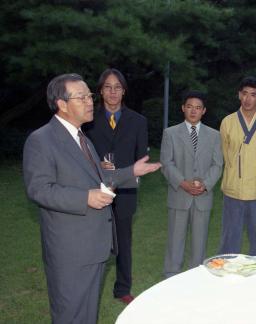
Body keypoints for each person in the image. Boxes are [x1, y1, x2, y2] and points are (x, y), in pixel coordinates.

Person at [22, 73, 161, 323]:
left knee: (87, 316)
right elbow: (39, 189)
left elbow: (101, 181)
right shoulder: (41, 140)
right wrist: (85, 197)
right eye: (82, 97)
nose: (90, 102)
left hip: (94, 247)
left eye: (90, 96)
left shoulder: (83, 139)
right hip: (70, 252)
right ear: (62, 104)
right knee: (70, 315)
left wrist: (132, 172)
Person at [84, 68, 147, 304]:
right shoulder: (88, 120)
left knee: (123, 243)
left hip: (126, 191)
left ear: (124, 91)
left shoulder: (138, 121)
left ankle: (122, 288)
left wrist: (127, 173)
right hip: (95, 190)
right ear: (100, 91)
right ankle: (91, 287)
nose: (113, 92)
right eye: (108, 87)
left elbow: (141, 158)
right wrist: (96, 164)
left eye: (117, 87)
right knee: (95, 243)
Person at [160, 90, 223, 277]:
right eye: (189, 107)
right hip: (179, 194)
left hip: (202, 196)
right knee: (175, 241)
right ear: (183, 108)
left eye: (198, 108)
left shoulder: (214, 135)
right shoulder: (170, 133)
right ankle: (171, 276)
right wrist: (182, 183)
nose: (193, 111)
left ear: (204, 111)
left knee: (199, 242)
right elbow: (166, 163)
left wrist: (205, 184)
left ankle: (196, 278)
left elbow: (217, 165)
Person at [218, 76, 256, 255]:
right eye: (244, 94)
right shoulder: (228, 122)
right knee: (230, 238)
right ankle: (227, 273)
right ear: (239, 95)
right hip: (234, 188)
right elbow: (225, 154)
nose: (248, 99)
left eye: (253, 95)